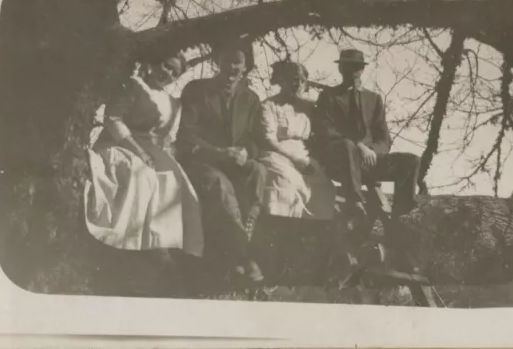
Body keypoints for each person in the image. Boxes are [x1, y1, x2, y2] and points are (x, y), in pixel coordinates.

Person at [84, 49, 204, 259]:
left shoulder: (172, 103)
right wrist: (138, 150)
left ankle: (165, 244)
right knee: (142, 175)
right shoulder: (133, 86)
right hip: (118, 144)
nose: (168, 74)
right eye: (166, 66)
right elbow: (113, 119)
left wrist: (167, 156)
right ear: (153, 64)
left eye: (174, 73)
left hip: (152, 151)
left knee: (178, 183)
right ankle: (130, 243)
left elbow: (168, 137)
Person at [313, 49, 421, 247]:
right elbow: (325, 131)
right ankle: (355, 203)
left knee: (411, 160)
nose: (350, 72)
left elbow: (383, 137)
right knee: (346, 146)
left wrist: (373, 152)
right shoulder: (329, 96)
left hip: (369, 161)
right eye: (346, 67)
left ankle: (401, 214)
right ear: (339, 68)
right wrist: (358, 146)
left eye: (355, 67)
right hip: (341, 162)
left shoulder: (374, 99)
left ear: (362, 70)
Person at [176, 47, 266, 283]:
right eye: (227, 61)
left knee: (258, 170)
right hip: (204, 161)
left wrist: (247, 152)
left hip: (236, 162)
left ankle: (245, 232)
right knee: (221, 186)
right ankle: (242, 254)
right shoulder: (197, 90)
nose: (232, 68)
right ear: (219, 62)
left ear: (245, 67)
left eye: (238, 62)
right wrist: (218, 152)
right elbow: (186, 135)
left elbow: (257, 140)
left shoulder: (251, 98)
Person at [258, 61, 336, 220]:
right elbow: (268, 139)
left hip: (305, 154)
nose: (298, 85)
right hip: (276, 153)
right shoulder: (269, 105)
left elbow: (324, 130)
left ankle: (313, 234)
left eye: (302, 81)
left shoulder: (309, 107)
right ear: (283, 81)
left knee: (323, 186)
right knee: (284, 181)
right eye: (294, 79)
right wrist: (295, 160)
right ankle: (281, 228)